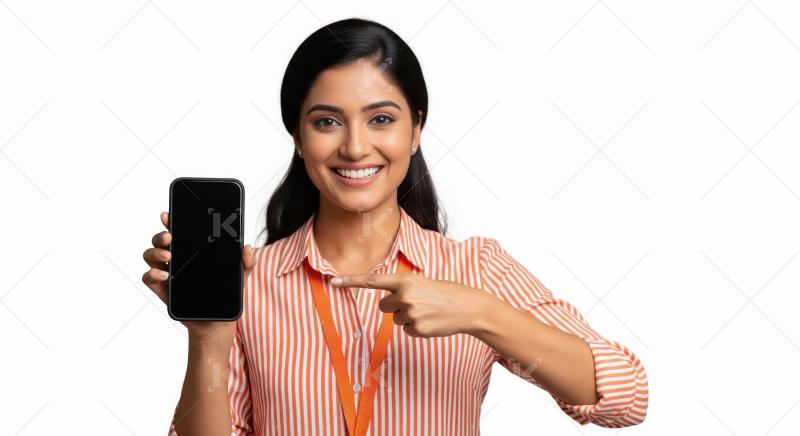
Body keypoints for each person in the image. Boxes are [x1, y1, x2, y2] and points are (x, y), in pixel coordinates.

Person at [142, 17, 648, 436]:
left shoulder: (474, 268)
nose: (356, 147)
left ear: (416, 131)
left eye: (381, 119)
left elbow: (626, 397)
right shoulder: (248, 284)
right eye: (326, 122)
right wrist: (209, 339)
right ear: (298, 137)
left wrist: (481, 313)